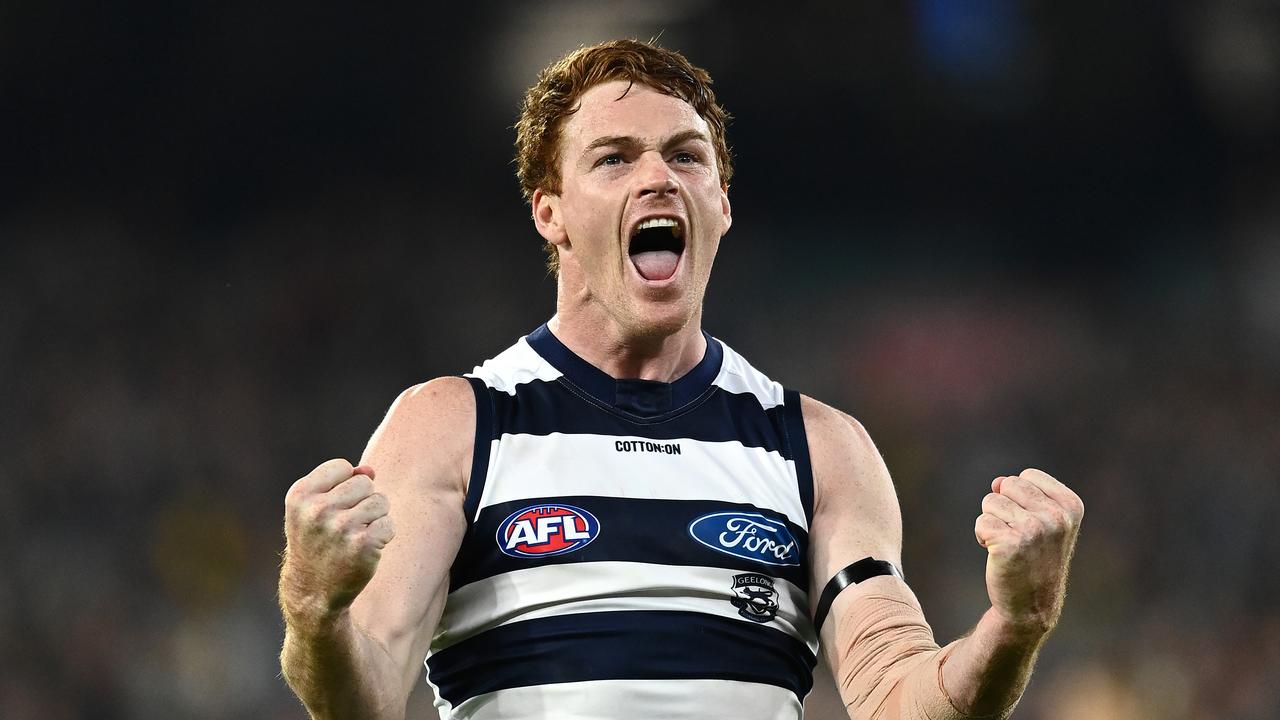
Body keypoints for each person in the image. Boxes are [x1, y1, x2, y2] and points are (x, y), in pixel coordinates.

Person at [277, 39, 1083, 720]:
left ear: (721, 203)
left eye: (685, 155)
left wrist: (1015, 625)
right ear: (550, 212)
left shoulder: (819, 449)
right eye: (615, 158)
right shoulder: (453, 427)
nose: (657, 177)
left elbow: (898, 697)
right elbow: (370, 691)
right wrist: (314, 610)